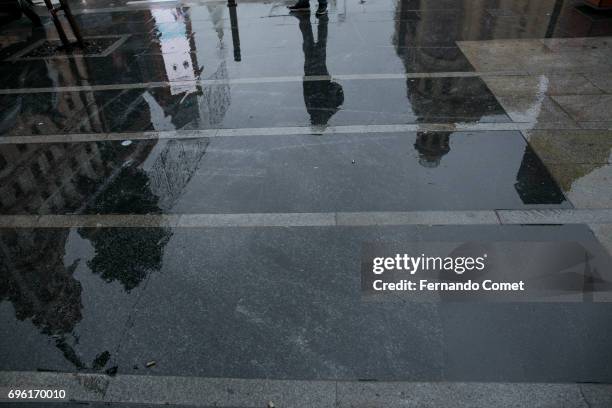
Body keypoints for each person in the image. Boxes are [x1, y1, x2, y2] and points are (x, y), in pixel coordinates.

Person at [292, 13, 343, 126]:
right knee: (311, 46)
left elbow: (306, 95)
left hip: (317, 77)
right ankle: (308, 21)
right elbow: (306, 94)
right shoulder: (320, 111)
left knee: (318, 46)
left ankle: (318, 21)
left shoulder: (328, 111)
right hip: (314, 77)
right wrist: (305, 80)